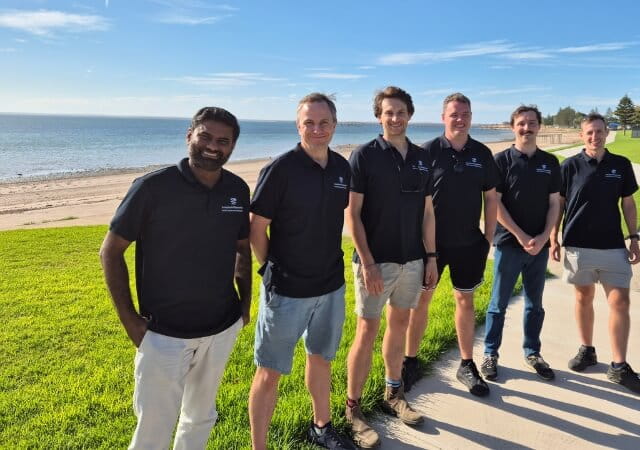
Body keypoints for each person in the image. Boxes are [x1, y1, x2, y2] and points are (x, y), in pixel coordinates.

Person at [100, 107, 251, 450]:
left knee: (201, 417)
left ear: (232, 147)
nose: (213, 146)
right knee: (154, 428)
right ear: (189, 137)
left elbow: (243, 248)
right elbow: (110, 251)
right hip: (163, 335)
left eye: (223, 141)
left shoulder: (237, 190)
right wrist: (130, 321)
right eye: (205, 137)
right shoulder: (152, 187)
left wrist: (244, 305)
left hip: (221, 328)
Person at [247, 93, 355, 450]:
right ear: (298, 126)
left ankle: (321, 427)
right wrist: (268, 269)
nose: (317, 129)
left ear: (335, 126)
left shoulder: (342, 168)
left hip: (331, 286)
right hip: (287, 290)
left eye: (324, 122)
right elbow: (256, 227)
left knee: (321, 359)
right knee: (270, 372)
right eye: (309, 122)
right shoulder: (280, 169)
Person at [344, 86, 438, 448]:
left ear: (409, 115)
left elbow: (428, 212)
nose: (395, 118)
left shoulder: (420, 156)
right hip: (375, 262)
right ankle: (353, 409)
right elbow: (352, 214)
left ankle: (392, 393)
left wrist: (430, 256)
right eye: (388, 112)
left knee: (399, 325)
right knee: (366, 332)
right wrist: (367, 262)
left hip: (412, 259)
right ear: (379, 116)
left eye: (400, 112)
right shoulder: (364, 155)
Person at [403, 93, 498, 396]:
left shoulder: (482, 154)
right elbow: (413, 200)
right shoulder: (426, 152)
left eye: (465, 114)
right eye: (454, 114)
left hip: (469, 242)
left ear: (471, 117)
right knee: (422, 300)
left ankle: (466, 365)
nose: (460, 119)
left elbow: (492, 198)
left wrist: (488, 237)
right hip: (430, 244)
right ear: (443, 117)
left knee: (465, 301)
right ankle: (410, 361)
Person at [550, 113, 640, 394]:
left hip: (613, 246)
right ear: (582, 136)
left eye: (599, 131)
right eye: (589, 133)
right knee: (583, 298)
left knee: (620, 302)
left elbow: (628, 204)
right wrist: (553, 238)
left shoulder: (621, 165)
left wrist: (634, 238)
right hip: (577, 245)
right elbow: (558, 204)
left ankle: (619, 366)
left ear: (607, 133)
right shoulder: (568, 166)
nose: (594, 137)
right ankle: (587, 350)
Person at [481, 105, 560, 382]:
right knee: (497, 304)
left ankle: (532, 352)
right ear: (512, 127)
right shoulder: (500, 161)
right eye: (521, 123)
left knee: (534, 304)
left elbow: (554, 203)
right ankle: (490, 353)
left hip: (539, 247)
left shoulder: (550, 162)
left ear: (539, 126)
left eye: (532, 123)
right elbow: (495, 204)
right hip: (509, 244)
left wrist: (544, 237)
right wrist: (521, 236)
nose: (527, 128)